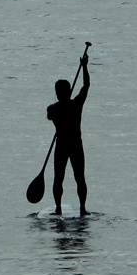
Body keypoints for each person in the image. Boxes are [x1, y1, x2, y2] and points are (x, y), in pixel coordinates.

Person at [46, 51, 90, 216]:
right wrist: (85, 67)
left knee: (59, 177)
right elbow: (86, 86)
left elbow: (50, 116)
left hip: (62, 145)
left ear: (57, 93)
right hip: (76, 145)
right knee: (80, 177)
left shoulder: (52, 109)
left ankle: (58, 209)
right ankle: (83, 208)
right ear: (69, 91)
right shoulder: (76, 105)